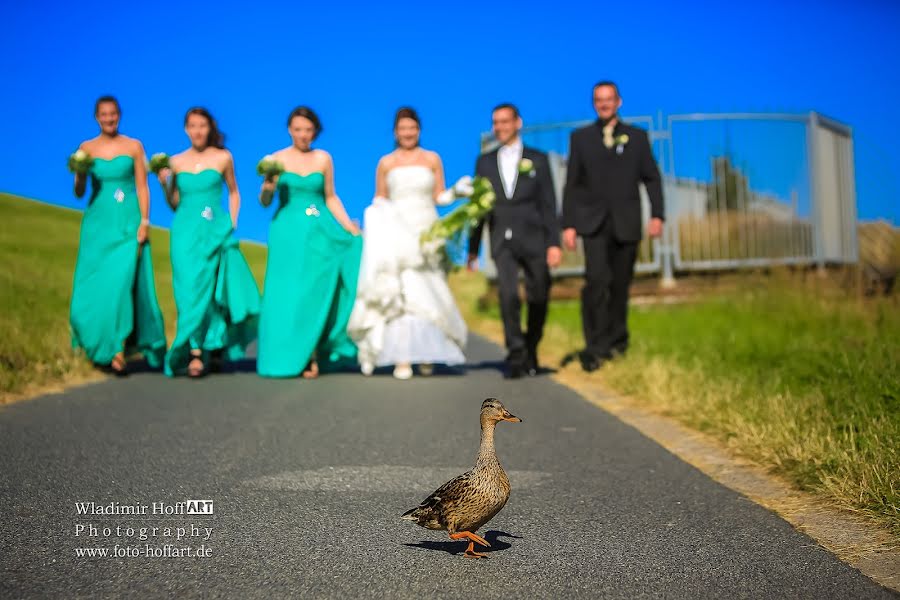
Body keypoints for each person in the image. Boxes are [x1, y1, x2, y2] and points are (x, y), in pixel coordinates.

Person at [348, 107, 467, 380]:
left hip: (427, 229)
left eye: (412, 128)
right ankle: (402, 357)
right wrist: (371, 226)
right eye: (402, 128)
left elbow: (439, 196)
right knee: (402, 293)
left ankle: (426, 353)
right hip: (396, 230)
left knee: (427, 290)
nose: (407, 133)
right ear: (395, 132)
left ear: (419, 130)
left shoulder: (432, 159)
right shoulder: (386, 163)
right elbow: (380, 198)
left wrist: (457, 193)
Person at [562, 81, 664, 372]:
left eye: (609, 99)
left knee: (620, 286)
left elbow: (652, 178)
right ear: (594, 103)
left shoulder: (637, 137)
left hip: (626, 222)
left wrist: (658, 215)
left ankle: (617, 343)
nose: (604, 104)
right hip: (593, 225)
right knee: (596, 282)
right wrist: (568, 224)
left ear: (618, 102)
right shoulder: (580, 138)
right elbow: (572, 184)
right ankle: (594, 348)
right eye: (598, 100)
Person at [256, 106, 362, 378]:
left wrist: (348, 225)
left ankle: (311, 353)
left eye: (308, 129)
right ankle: (282, 355)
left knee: (314, 292)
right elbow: (265, 202)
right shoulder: (276, 159)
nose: (303, 134)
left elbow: (330, 196)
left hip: (320, 231)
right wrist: (268, 185)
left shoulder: (323, 158)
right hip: (287, 234)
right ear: (289, 130)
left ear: (315, 131)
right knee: (287, 294)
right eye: (297, 129)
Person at [157, 107, 260, 377]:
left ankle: (210, 347)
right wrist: (164, 184)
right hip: (185, 233)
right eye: (192, 126)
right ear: (185, 129)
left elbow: (235, 192)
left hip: (215, 230)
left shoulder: (223, 157)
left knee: (214, 290)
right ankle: (193, 349)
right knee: (188, 289)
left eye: (202, 125)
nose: (197, 131)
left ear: (210, 128)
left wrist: (232, 222)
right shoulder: (176, 162)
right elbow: (174, 204)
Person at [70, 95, 167, 375]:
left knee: (121, 285)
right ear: (96, 117)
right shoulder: (86, 148)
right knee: (93, 288)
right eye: (103, 114)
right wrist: (78, 174)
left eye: (113, 114)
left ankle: (117, 349)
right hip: (98, 225)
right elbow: (79, 192)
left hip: (128, 222)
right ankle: (93, 344)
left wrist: (145, 221)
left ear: (119, 115)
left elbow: (142, 186)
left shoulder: (134, 146)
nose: (109, 118)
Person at [468, 103, 561, 378]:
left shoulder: (538, 159)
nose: (500, 128)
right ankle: (517, 353)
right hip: (501, 239)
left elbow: (549, 203)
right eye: (496, 123)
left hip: (535, 238)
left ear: (517, 123)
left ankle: (532, 346)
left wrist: (553, 243)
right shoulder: (484, 162)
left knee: (539, 294)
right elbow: (478, 207)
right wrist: (473, 249)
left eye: (505, 122)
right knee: (508, 295)